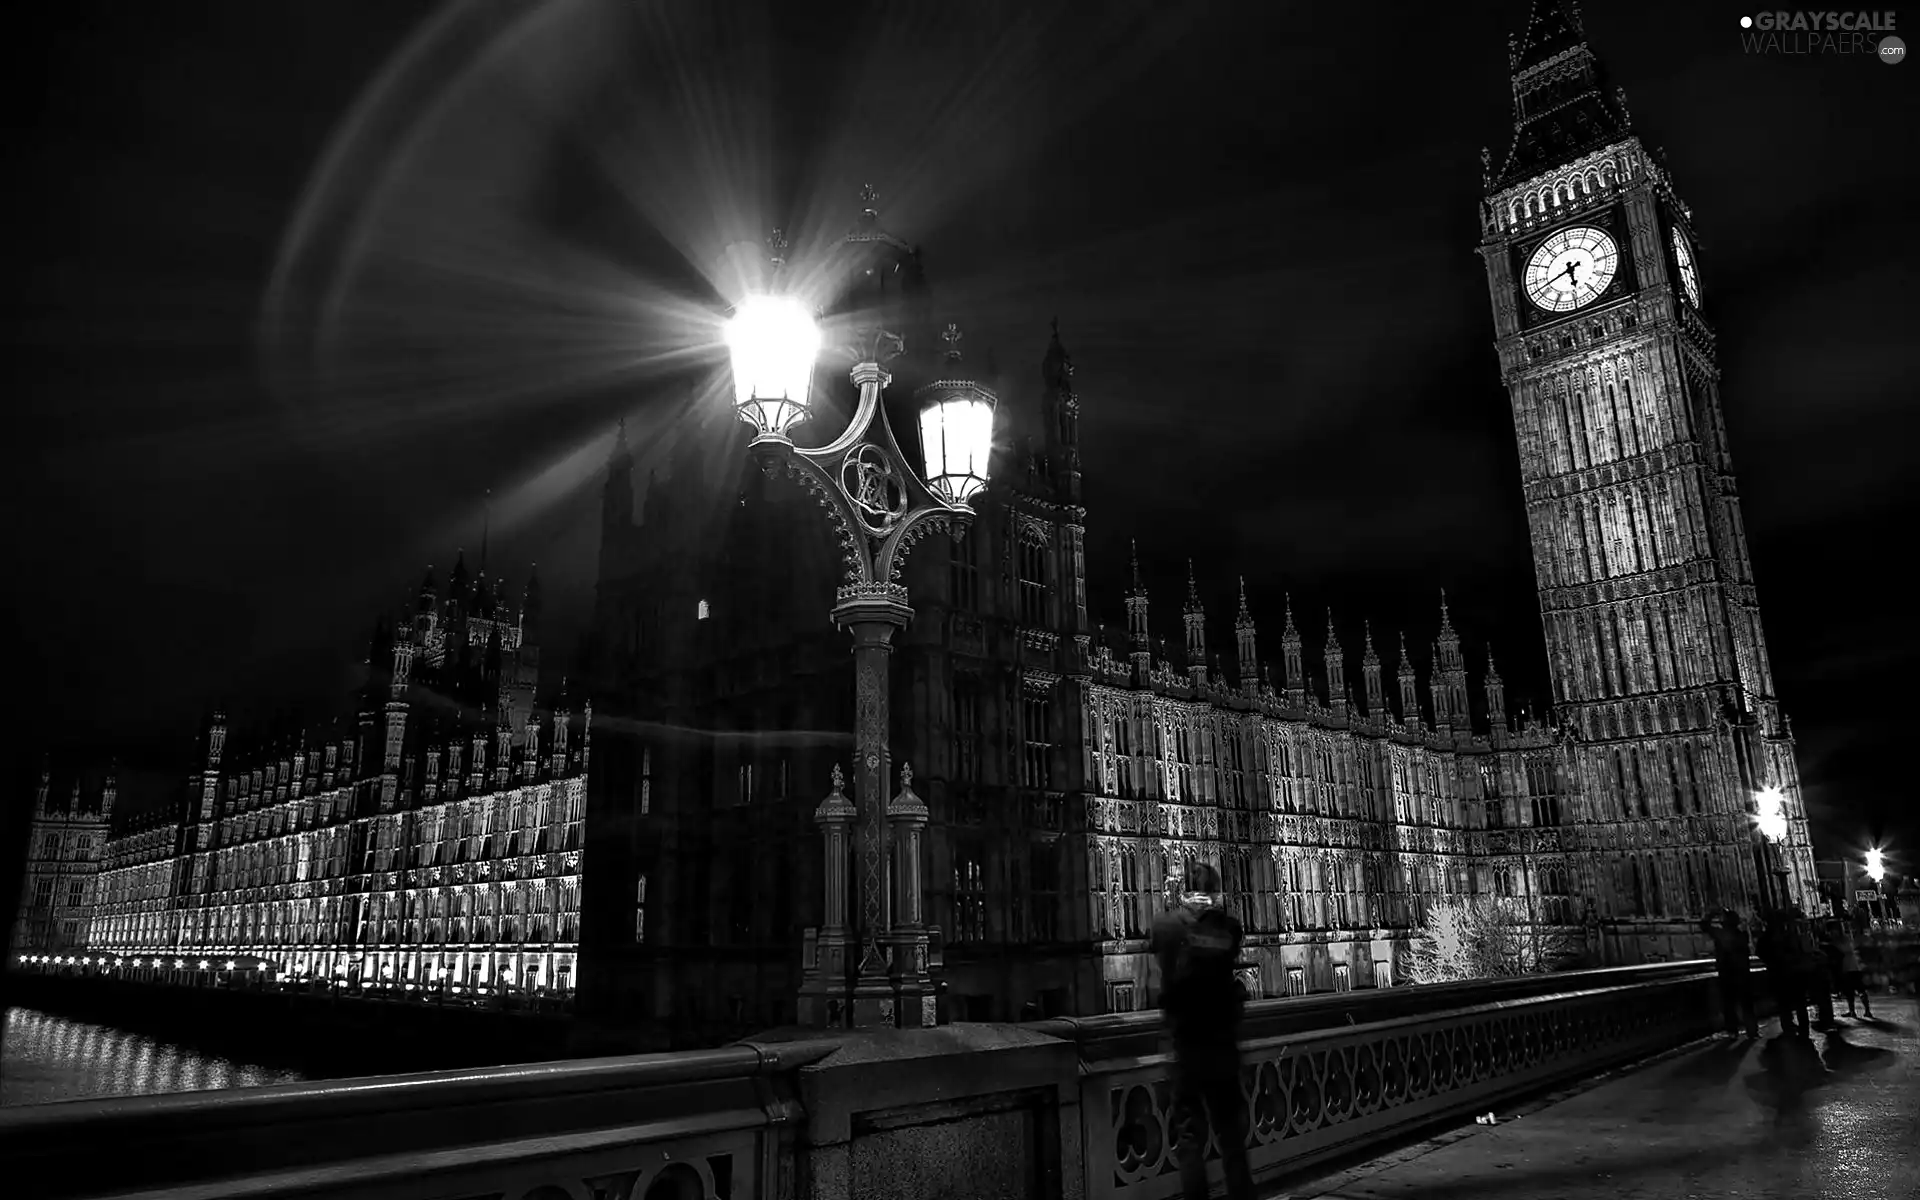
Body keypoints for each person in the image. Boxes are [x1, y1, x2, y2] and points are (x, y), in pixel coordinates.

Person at [1151, 860, 1256, 1200]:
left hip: (1187, 1048)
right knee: (1231, 1140)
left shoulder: (1167, 927)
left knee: (1189, 1139)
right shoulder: (1228, 929)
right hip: (1223, 1047)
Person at [1700, 909, 1760, 1038]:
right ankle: (1752, 1031)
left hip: (1727, 974)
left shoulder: (1720, 934)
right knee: (1746, 1004)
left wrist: (1712, 914)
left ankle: (1733, 1031)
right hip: (1742, 974)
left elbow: (1704, 926)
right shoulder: (1742, 935)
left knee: (1729, 1004)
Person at [1755, 903, 1810, 1039]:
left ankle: (1790, 1027)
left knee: (1785, 1004)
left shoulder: (1768, 937)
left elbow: (1760, 952)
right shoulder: (1789, 935)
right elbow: (1801, 952)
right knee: (1798, 1003)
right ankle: (1802, 1029)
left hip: (1780, 975)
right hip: (1792, 974)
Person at [1823, 916, 1872, 1019]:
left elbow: (1848, 949)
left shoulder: (1844, 938)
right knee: (1849, 991)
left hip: (1852, 967)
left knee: (1860, 989)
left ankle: (1867, 1011)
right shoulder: (1837, 939)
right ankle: (1852, 1011)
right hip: (1846, 968)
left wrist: (1835, 945)